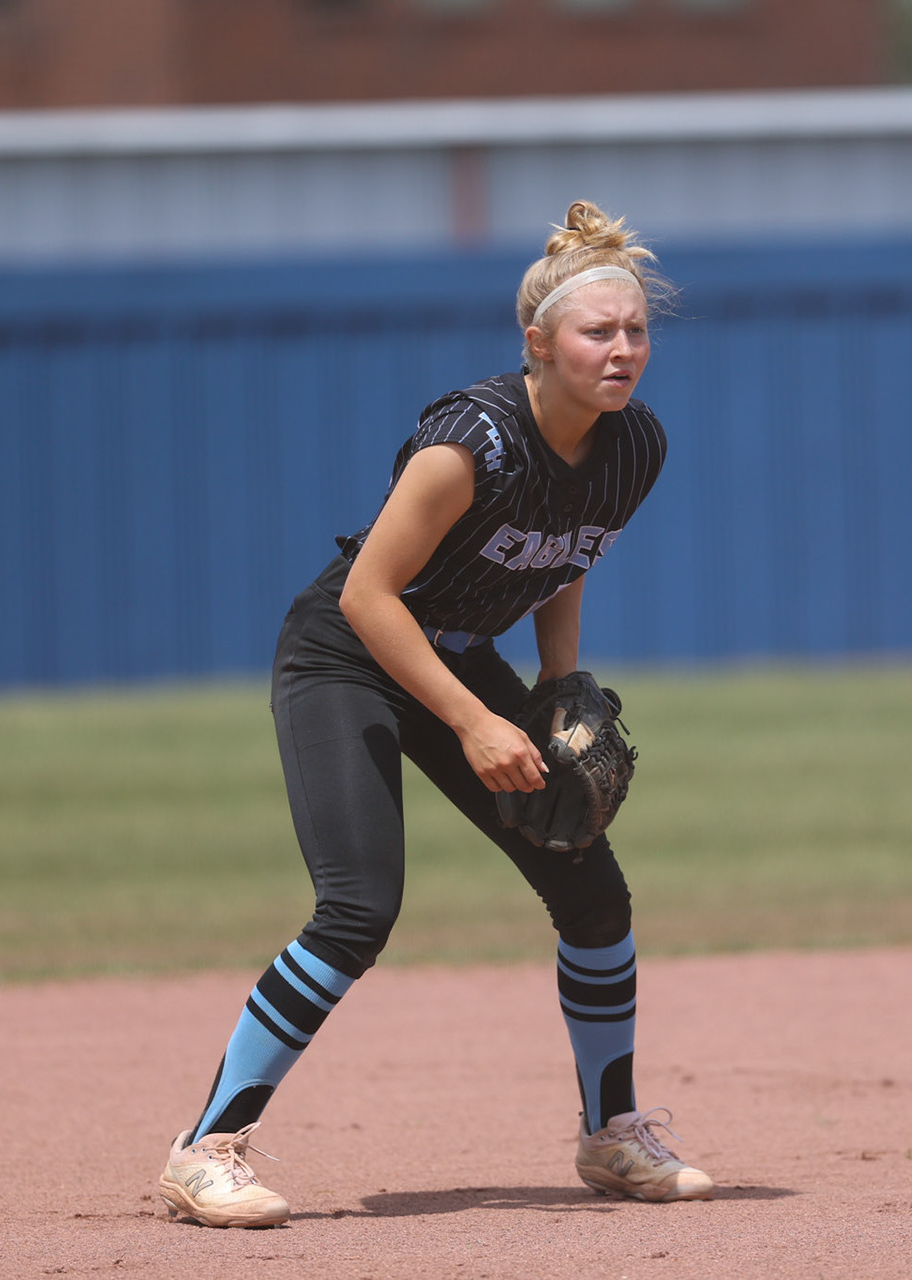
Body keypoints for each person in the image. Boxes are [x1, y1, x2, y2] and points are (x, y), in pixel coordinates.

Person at [157, 200, 714, 1228]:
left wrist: (554, 688)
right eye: (600, 331)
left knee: (592, 892)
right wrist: (474, 721)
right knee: (359, 906)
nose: (624, 349)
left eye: (636, 331)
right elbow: (371, 596)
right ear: (539, 344)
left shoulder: (634, 446)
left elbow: (567, 552)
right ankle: (207, 1147)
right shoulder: (473, 443)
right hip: (347, 653)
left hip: (457, 659)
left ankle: (612, 1130)